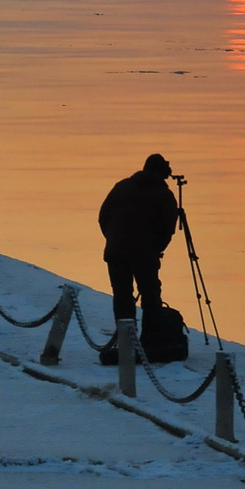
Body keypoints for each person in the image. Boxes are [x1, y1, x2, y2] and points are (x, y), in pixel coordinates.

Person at [97, 153, 183, 363]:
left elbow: (103, 217)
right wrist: (156, 249)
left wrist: (114, 239)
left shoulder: (122, 186)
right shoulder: (163, 195)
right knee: (150, 295)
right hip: (144, 254)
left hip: (116, 252)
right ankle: (150, 341)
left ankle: (127, 342)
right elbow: (167, 230)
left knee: (122, 295)